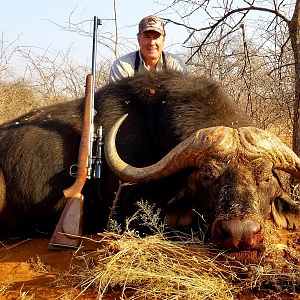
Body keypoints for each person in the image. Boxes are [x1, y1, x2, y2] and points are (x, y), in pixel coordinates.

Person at [109, 15, 186, 83]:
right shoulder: (122, 66)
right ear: (139, 39)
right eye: (146, 37)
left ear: (163, 39)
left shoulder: (176, 65)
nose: (152, 43)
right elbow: (117, 97)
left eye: (156, 37)